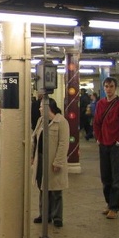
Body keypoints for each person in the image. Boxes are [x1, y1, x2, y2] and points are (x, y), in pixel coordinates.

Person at [93, 77, 119, 220]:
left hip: (116, 146)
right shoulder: (100, 104)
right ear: (103, 88)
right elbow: (96, 122)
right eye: (106, 86)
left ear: (116, 88)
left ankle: (114, 207)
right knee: (105, 177)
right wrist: (98, 138)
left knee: (116, 177)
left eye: (111, 86)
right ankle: (109, 203)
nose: (108, 89)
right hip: (103, 144)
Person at [31, 98, 69, 228]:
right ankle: (44, 215)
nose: (39, 108)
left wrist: (58, 162)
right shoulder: (40, 121)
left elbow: (63, 144)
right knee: (43, 187)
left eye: (42, 106)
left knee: (56, 189)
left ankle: (57, 217)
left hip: (53, 160)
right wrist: (32, 155)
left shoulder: (61, 122)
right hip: (41, 159)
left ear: (49, 108)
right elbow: (34, 138)